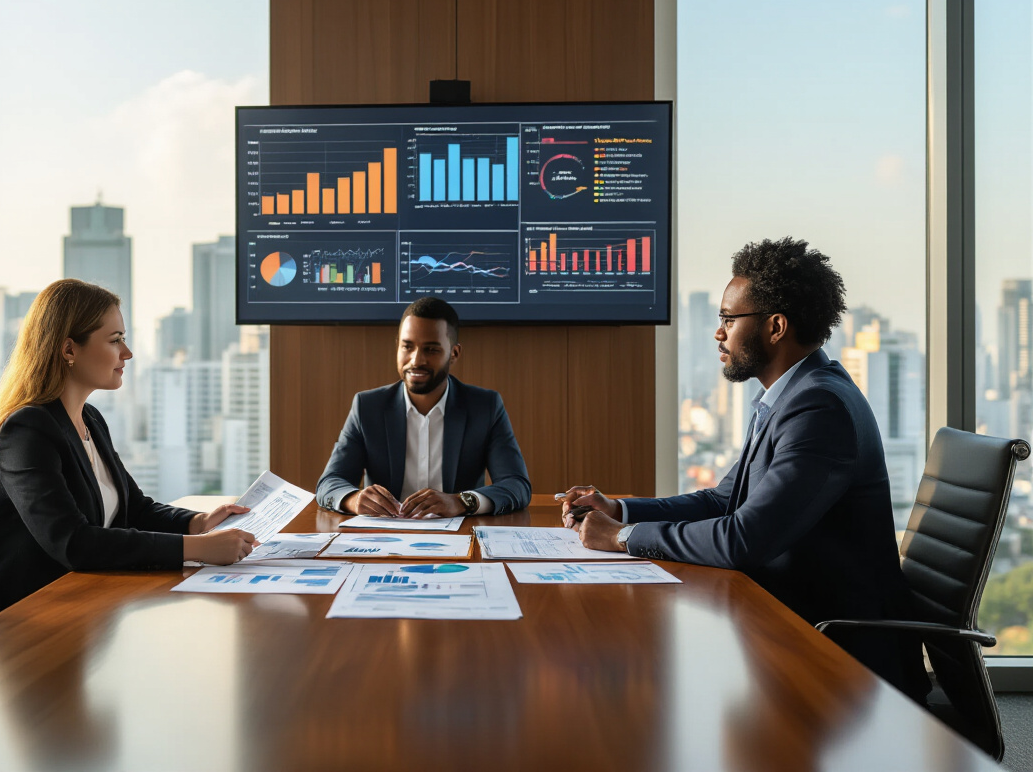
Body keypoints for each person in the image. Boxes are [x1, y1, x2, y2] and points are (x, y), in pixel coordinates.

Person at [560, 238, 930, 701]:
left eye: (729, 320)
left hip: (838, 655)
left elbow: (744, 538)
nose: (718, 333)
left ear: (775, 326)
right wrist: (620, 509)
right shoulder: (793, 397)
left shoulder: (820, 408)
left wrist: (620, 539)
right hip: (791, 623)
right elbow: (723, 500)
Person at [0, 279, 256, 617]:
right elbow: (73, 543)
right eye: (115, 341)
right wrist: (197, 548)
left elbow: (135, 509)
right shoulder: (25, 431)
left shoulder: (89, 419)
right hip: (14, 621)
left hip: (79, 608)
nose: (127, 353)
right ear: (69, 350)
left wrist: (198, 523)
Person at [316, 297, 531, 518]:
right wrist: (354, 499)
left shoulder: (485, 407)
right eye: (407, 347)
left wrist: (461, 501)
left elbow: (516, 485)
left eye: (431, 349)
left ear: (454, 353)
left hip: (458, 537)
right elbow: (329, 483)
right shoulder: (367, 407)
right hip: (384, 538)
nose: (416, 360)